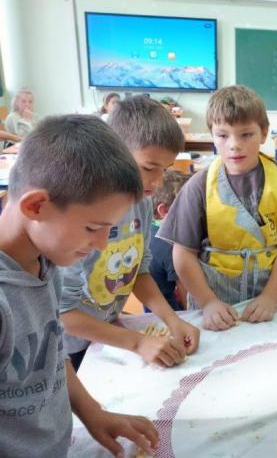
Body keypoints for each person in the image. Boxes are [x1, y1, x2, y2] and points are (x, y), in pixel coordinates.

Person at [0, 115, 158, 457]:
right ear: (36, 206)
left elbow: (51, 354)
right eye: (92, 228)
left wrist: (92, 413)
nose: (101, 244)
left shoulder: (46, 261)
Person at [59, 96, 199, 370]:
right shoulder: (81, 213)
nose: (158, 181)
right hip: (69, 348)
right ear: (115, 152)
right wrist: (137, 342)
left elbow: (138, 271)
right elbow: (63, 314)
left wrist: (173, 320)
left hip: (109, 331)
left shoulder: (141, 203)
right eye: (149, 168)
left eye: (165, 169)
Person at [158, 85, 277, 331]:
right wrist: (208, 302)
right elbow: (183, 254)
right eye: (223, 135)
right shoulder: (198, 186)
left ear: (264, 133)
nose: (234, 145)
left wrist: (271, 295)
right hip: (214, 303)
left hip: (270, 298)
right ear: (212, 135)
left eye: (246, 134)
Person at [149, 169, 191, 311]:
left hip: (151, 305)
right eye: (190, 209)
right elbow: (186, 292)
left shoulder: (150, 229)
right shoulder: (170, 246)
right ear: (164, 211)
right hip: (170, 310)